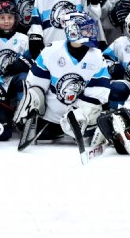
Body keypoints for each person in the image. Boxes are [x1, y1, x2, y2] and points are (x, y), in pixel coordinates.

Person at [18, 11, 110, 149]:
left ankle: (87, 127)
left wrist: (81, 113)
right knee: (41, 133)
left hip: (79, 115)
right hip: (51, 116)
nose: (90, 33)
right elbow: (36, 86)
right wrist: (32, 108)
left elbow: (98, 93)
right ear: (73, 31)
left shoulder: (96, 56)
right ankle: (56, 128)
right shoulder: (51, 51)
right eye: (86, 29)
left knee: (92, 119)